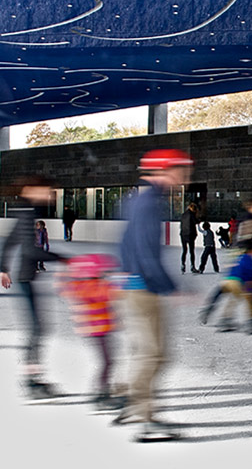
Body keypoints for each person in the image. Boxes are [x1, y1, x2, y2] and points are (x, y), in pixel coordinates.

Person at [115, 148, 193, 441]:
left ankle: (132, 401)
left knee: (146, 353)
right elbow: (147, 253)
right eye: (180, 170)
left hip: (134, 285)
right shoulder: (149, 203)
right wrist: (168, 288)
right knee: (155, 354)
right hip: (143, 290)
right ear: (164, 169)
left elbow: (125, 244)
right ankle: (143, 416)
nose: (183, 177)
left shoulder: (137, 199)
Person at [0, 176, 64, 400]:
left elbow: (8, 241)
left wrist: (3, 268)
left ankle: (33, 378)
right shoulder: (27, 214)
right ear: (32, 190)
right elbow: (29, 251)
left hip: (25, 277)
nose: (49, 194)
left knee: (38, 328)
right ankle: (31, 380)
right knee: (37, 329)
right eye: (46, 190)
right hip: (25, 278)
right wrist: (62, 258)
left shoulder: (25, 211)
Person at [60, 253, 125, 411]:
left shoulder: (82, 286)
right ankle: (101, 394)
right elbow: (113, 291)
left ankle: (104, 390)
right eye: (102, 272)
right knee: (107, 362)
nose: (105, 275)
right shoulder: (94, 287)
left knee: (108, 361)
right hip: (98, 331)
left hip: (98, 330)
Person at [198, 242, 252, 335]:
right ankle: (251, 321)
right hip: (238, 282)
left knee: (233, 299)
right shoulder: (248, 258)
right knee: (249, 299)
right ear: (251, 251)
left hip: (226, 282)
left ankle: (225, 319)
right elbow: (249, 275)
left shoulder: (238, 257)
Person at [180, 202, 199, 273]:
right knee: (191, 251)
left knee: (184, 250)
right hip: (190, 234)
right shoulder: (192, 214)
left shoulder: (183, 215)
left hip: (183, 234)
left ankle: (183, 265)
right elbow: (196, 222)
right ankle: (192, 266)